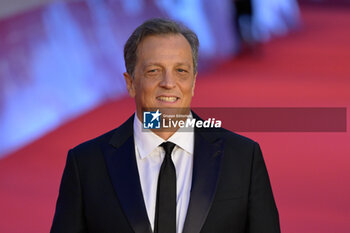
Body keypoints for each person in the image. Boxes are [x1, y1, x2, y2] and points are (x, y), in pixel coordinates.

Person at [50, 18, 280, 233]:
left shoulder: (242, 157)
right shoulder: (87, 164)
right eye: (154, 71)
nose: (169, 83)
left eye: (181, 71)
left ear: (194, 81)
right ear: (131, 83)